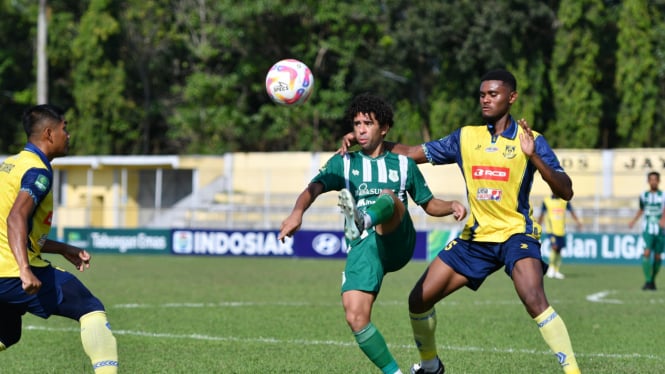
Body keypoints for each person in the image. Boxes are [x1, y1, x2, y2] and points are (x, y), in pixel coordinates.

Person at [340, 69, 581, 374]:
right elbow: (413, 153)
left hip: (515, 234)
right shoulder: (466, 137)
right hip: (475, 239)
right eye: (482, 94)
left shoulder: (530, 140)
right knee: (419, 300)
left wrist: (533, 156)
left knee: (534, 298)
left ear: (512, 97)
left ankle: (573, 371)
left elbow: (566, 189)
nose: (486, 100)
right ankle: (430, 366)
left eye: (493, 94)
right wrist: (368, 140)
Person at [279, 94, 466, 374]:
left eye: (368, 123)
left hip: (398, 239)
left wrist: (450, 205)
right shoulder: (343, 162)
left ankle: (363, 218)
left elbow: (428, 204)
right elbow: (314, 188)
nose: (361, 129)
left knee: (388, 197)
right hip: (365, 245)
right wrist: (297, 213)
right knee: (355, 315)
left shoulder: (404, 164)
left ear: (384, 128)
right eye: (357, 124)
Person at [0, 104, 118, 373]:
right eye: (66, 129)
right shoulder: (37, 172)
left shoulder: (11, 164)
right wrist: (24, 270)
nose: (69, 135)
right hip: (10, 271)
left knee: (7, 333)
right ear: (50, 133)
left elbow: (15, 226)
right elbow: (15, 218)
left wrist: (63, 248)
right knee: (90, 308)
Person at [630, 171, 664, 291]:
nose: (653, 182)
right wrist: (633, 221)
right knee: (647, 253)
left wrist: (663, 220)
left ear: (659, 181)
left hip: (660, 230)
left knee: (658, 257)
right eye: (651, 179)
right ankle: (648, 281)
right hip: (647, 229)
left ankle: (653, 280)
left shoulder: (663, 195)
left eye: (655, 179)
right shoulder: (644, 195)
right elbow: (641, 209)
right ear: (648, 181)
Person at [537, 194, 583, 279]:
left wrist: (578, 222)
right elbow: (542, 214)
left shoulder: (564, 201)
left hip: (561, 230)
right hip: (551, 230)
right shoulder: (547, 201)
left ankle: (556, 271)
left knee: (559, 250)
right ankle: (550, 268)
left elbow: (571, 211)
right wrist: (537, 225)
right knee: (554, 247)